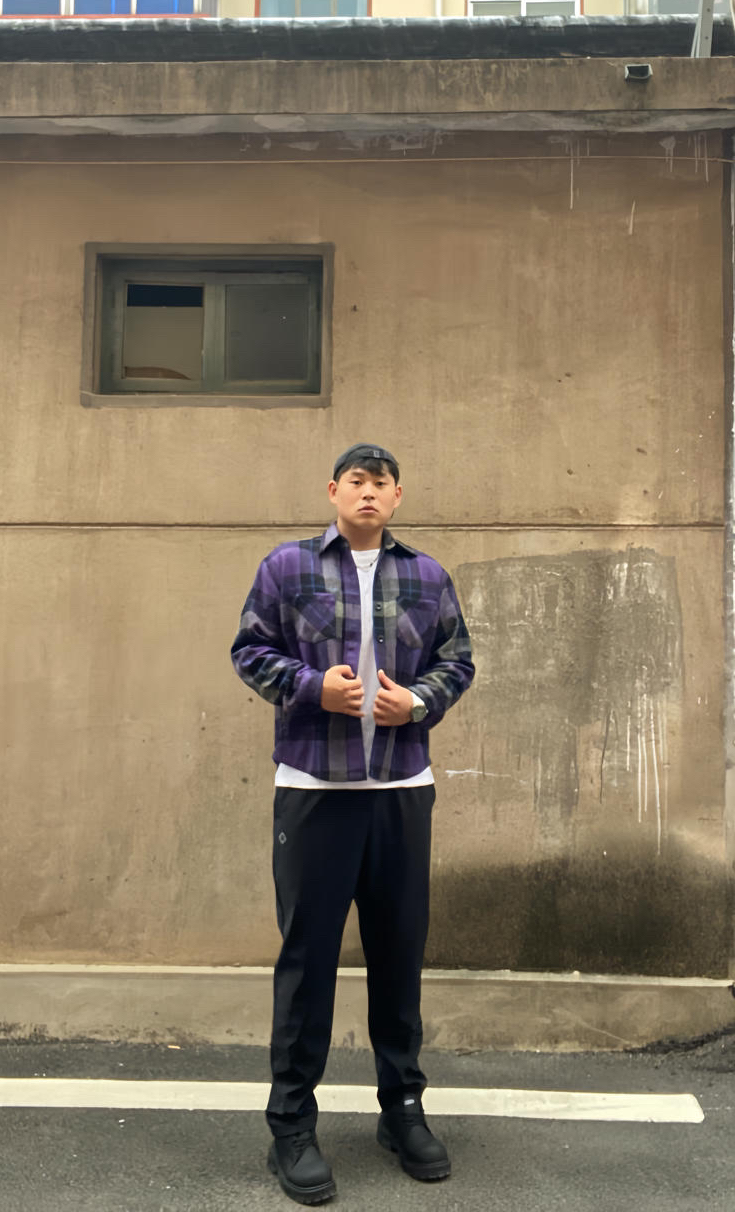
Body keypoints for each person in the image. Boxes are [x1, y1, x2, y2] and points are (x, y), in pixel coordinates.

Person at [232, 443, 475, 1205]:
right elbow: (249, 650)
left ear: (397, 496)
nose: (368, 493)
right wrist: (311, 687)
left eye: (381, 483)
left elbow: (457, 660)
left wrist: (420, 701)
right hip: (314, 786)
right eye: (356, 482)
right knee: (307, 959)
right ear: (333, 491)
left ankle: (401, 1109)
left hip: (401, 786)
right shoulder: (287, 566)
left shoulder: (427, 575)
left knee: (398, 954)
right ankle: (290, 1125)